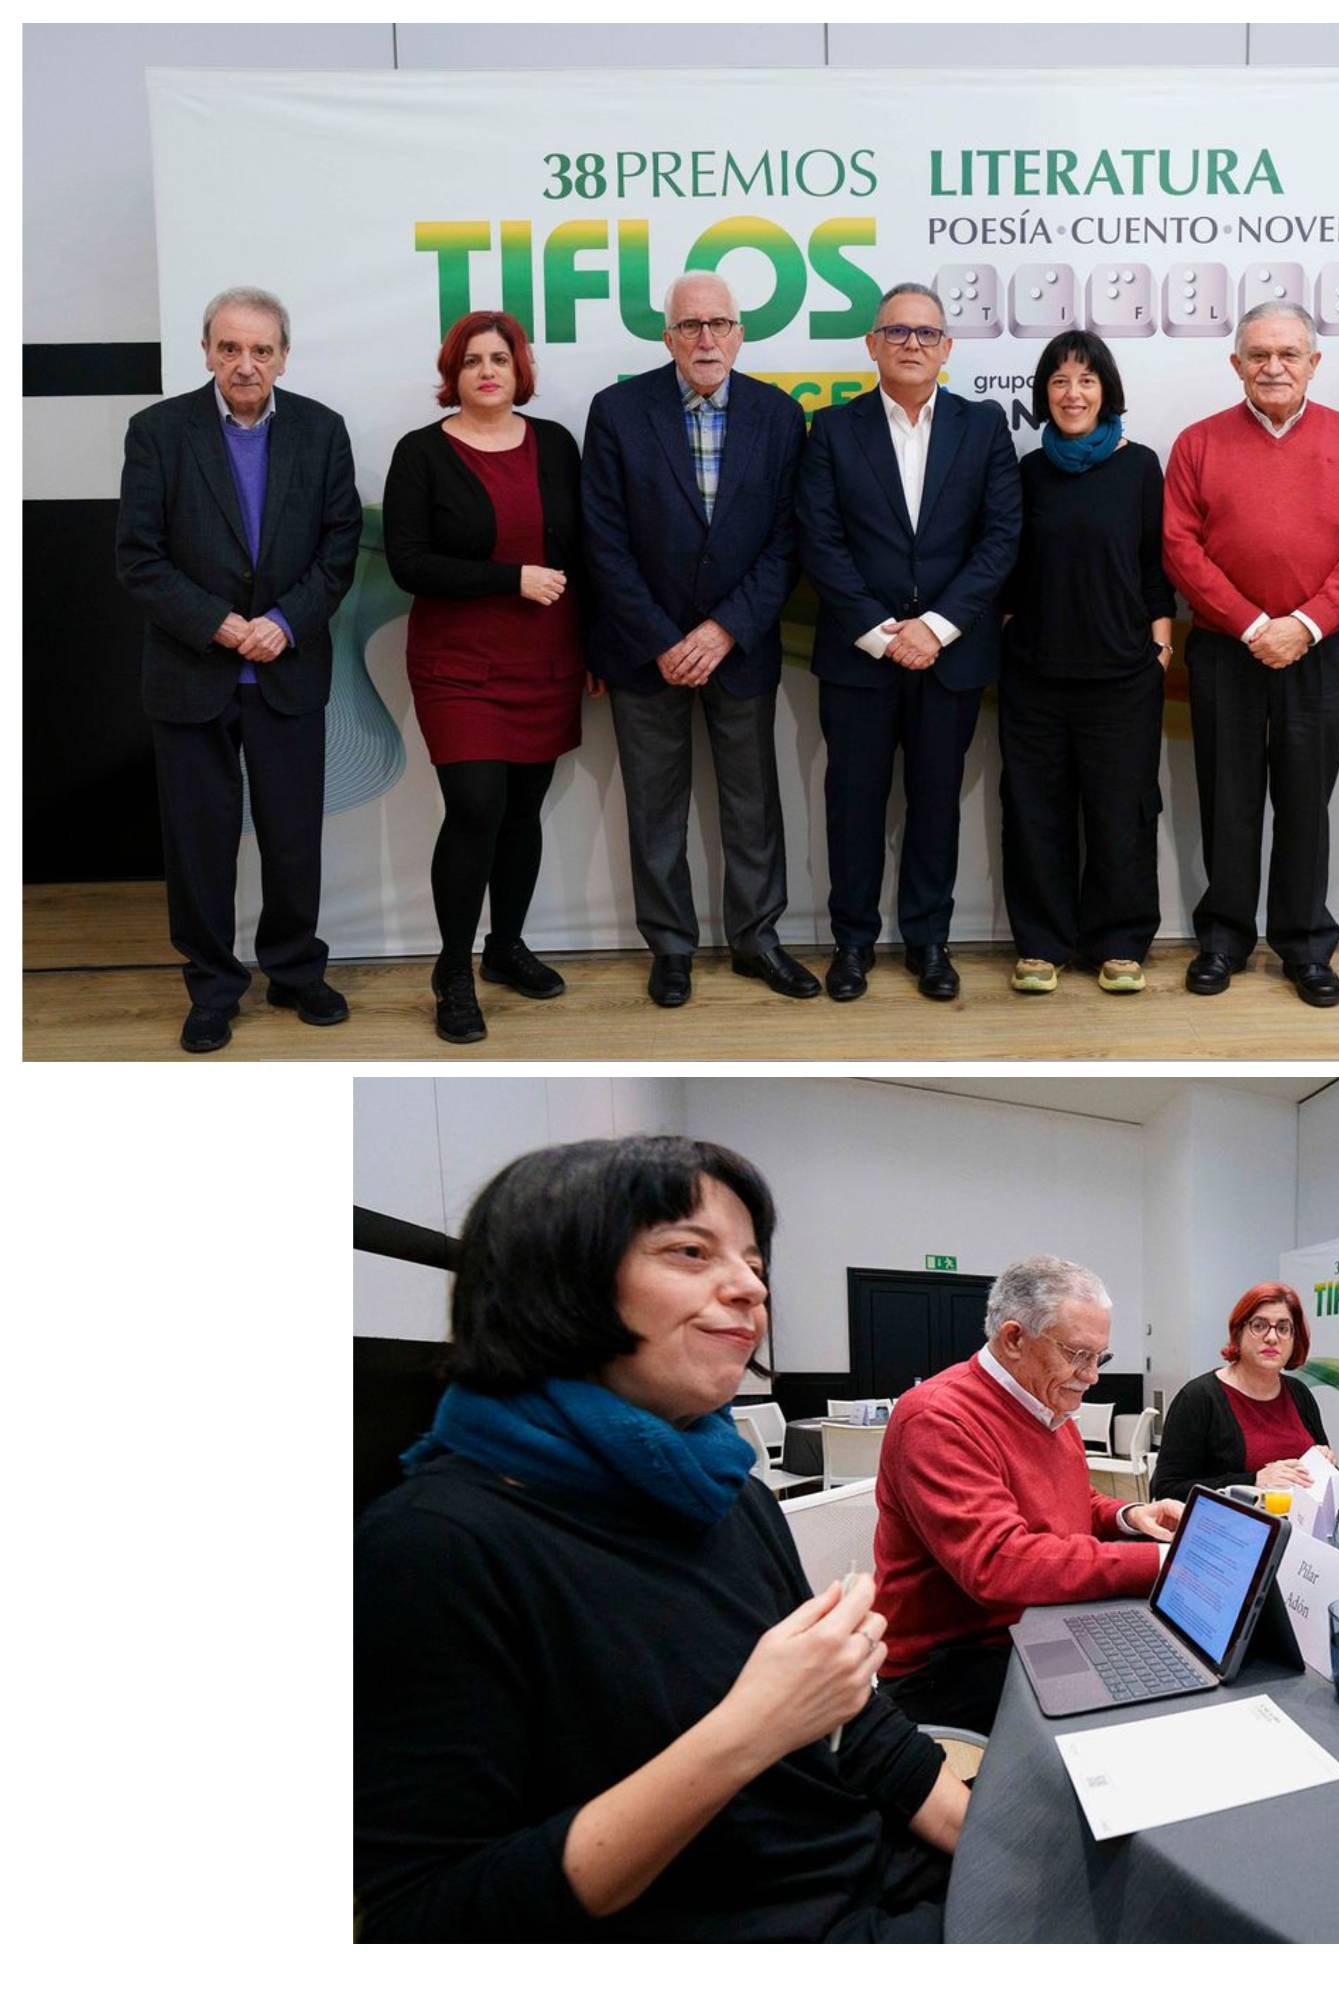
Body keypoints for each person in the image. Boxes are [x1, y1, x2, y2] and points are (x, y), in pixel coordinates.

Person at [355, 1135, 967, 1941]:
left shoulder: (726, 1491)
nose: (750, 1286)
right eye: (690, 1251)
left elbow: (855, 1726)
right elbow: (427, 1918)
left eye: (753, 1261)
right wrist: (748, 1731)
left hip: (872, 1866)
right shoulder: (435, 1547)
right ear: (557, 1281)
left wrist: (991, 1836)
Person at [114, 285, 361, 1054]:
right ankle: (213, 987)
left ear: (283, 354)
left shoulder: (322, 431)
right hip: (193, 672)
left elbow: (340, 545)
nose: (245, 363)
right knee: (198, 843)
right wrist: (220, 625)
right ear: (207, 351)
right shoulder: (157, 432)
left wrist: (282, 624)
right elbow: (139, 558)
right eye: (230, 348)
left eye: (261, 349)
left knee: (292, 840)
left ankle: (293, 971)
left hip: (286, 670)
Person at [581, 273, 819, 1011]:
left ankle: (757, 940)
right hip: (644, 650)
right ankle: (672, 949)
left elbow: (787, 542)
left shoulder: (780, 417)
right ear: (667, 336)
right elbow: (604, 541)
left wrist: (722, 630)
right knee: (655, 807)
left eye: (720, 323)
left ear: (742, 332)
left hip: (738, 647)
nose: (706, 339)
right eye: (690, 326)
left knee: (753, 805)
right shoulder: (619, 412)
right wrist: (661, 638)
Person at [1161, 300, 1339, 1009]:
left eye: (1289, 354)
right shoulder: (1197, 444)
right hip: (1227, 651)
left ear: (1314, 364)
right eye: (1259, 355)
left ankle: (1304, 944)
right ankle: (1224, 939)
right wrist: (1252, 623)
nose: (1274, 367)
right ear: (1236, 365)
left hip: (1318, 651)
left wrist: (1307, 624)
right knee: (1227, 800)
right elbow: (1180, 547)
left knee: (1304, 803)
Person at [796, 281, 1022, 1002]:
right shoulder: (831, 430)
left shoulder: (983, 428)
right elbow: (820, 540)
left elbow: (1000, 538)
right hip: (860, 656)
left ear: (948, 348)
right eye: (897, 333)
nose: (912, 345)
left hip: (950, 657)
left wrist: (938, 627)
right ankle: (853, 944)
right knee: (853, 806)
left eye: (926, 334)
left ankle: (929, 942)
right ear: (873, 344)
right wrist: (878, 631)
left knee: (935, 804)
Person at [382, 311, 586, 1044]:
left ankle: (505, 949)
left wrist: (590, 649)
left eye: (499, 358)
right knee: (475, 806)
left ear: (520, 368)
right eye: (471, 361)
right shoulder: (420, 454)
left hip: (548, 656)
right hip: (457, 664)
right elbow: (409, 562)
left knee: (522, 809)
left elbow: (584, 554)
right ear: (453, 375)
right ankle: (452, 971)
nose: (487, 371)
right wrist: (510, 578)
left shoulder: (557, 445)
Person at [871, 1255, 1184, 1733]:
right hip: (950, 1666)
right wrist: (1164, 1564)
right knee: (1135, 1724)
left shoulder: (1045, 1400)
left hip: (1032, 1628)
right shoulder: (937, 1417)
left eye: (1100, 1357)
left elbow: (1073, 1502)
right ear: (1014, 1338)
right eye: (1078, 1354)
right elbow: (997, 1563)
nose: (1092, 1375)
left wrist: (1131, 1516)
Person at [999, 330, 1173, 996]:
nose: (1074, 394)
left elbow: (1156, 569)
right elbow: (1010, 575)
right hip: (1036, 677)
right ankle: (1042, 943)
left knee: (1121, 813)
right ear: (1045, 395)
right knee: (1034, 812)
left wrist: (1158, 649)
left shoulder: (1140, 466)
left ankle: (1120, 941)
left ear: (1107, 391)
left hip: (1124, 675)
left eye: (1087, 380)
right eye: (1061, 381)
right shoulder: (1027, 472)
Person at [1153, 1282, 1338, 1504]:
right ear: (1238, 1332)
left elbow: (1321, 1472)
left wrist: (1324, 1462)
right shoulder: (1198, 1398)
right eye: (1259, 1326)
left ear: (1294, 1339)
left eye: (1283, 1328)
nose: (1272, 1337)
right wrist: (1253, 1481)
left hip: (1300, 1529)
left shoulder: (1299, 1393)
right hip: (1229, 1532)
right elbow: (1167, 1488)